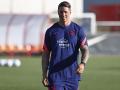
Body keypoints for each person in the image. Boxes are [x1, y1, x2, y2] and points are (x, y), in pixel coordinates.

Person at [42, 1, 89, 90]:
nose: (63, 14)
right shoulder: (51, 31)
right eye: (61, 12)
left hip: (73, 76)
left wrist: (83, 64)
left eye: (65, 12)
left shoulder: (78, 30)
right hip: (55, 76)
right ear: (58, 12)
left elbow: (85, 49)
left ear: (70, 12)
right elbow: (45, 54)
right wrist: (44, 74)